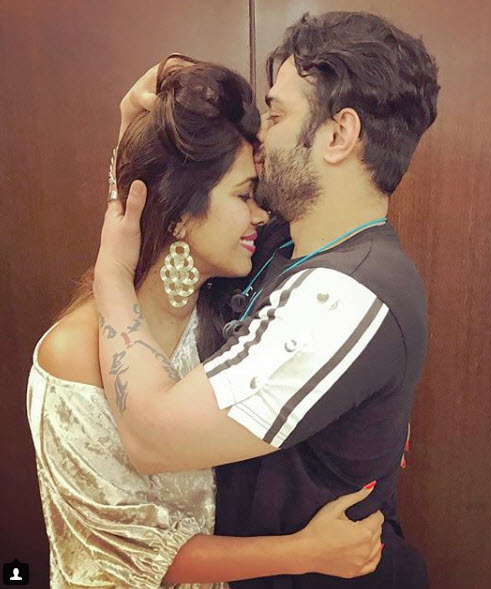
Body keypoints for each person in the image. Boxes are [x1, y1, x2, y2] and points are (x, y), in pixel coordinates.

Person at [92, 10, 440, 589]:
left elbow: (152, 436)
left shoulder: (347, 297)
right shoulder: (282, 240)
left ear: (338, 135)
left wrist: (110, 279)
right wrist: (134, 133)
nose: (260, 140)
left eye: (277, 115)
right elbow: (180, 215)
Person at [27, 56, 384, 588]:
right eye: (243, 196)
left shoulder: (221, 309)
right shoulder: (72, 358)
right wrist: (304, 552)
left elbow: (151, 192)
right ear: (179, 213)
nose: (261, 215)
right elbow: (134, 551)